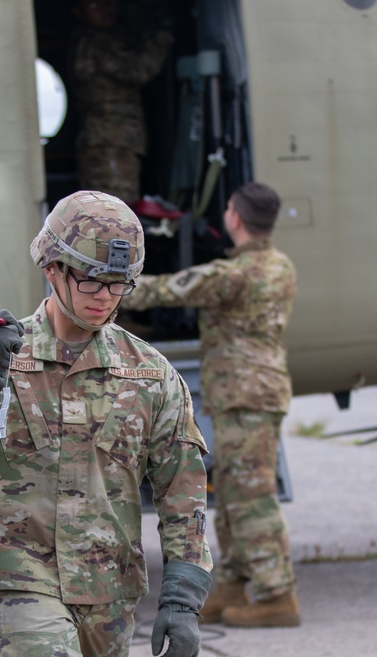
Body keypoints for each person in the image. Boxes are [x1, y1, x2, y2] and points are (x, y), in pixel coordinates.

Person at [0, 190, 213, 657]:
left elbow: (182, 491)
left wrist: (183, 598)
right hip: (21, 573)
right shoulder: (1, 358)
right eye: (92, 281)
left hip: (109, 586)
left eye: (119, 285)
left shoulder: (150, 374)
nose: (105, 298)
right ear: (52, 269)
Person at [123, 182, 300, 628]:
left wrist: (104, 284)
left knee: (251, 496)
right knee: (235, 490)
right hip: (255, 393)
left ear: (235, 218)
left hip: (244, 395)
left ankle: (277, 594)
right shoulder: (281, 265)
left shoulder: (232, 274)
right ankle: (234, 584)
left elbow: (167, 289)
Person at [69, 0, 173, 204]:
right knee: (116, 207)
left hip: (112, 140)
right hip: (110, 143)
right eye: (95, 5)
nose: (106, 9)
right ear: (78, 12)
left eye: (110, 2)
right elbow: (136, 70)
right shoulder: (97, 43)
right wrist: (162, 38)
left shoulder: (100, 38)